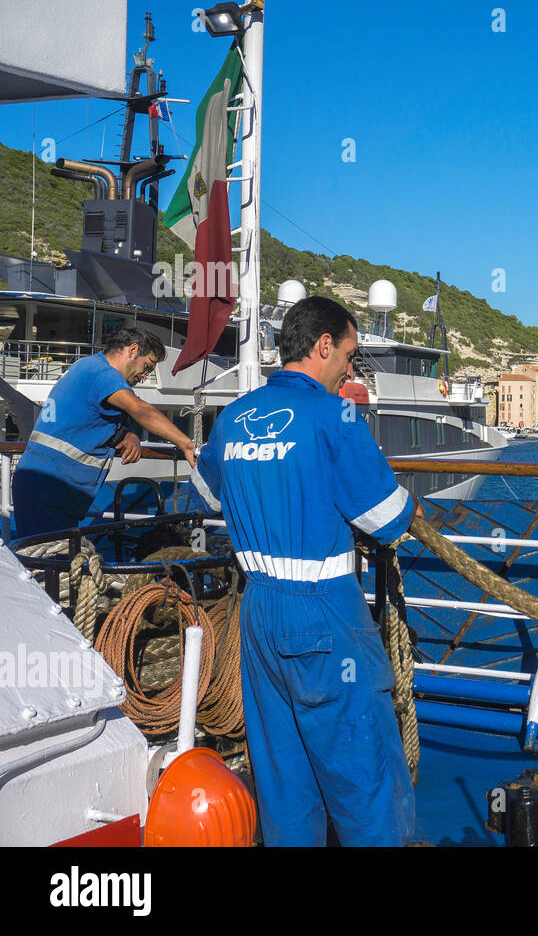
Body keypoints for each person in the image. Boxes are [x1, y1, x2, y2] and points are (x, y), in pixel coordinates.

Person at [184, 295, 423, 846]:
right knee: (367, 780)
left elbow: (207, 489)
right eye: (349, 354)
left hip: (259, 612)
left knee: (284, 782)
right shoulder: (335, 415)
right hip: (323, 615)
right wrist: (410, 508)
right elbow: (386, 518)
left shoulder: (237, 414)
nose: (350, 368)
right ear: (323, 346)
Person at [11, 328, 197, 541]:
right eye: (147, 366)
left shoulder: (88, 366)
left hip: (48, 486)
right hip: (49, 489)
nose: (145, 376)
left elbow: (95, 418)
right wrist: (185, 444)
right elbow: (140, 410)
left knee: (49, 561)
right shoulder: (102, 374)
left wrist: (129, 435)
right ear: (132, 350)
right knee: (51, 564)